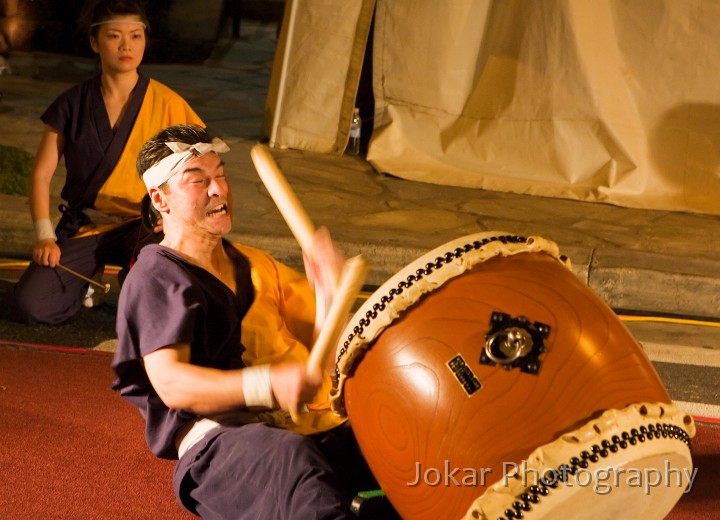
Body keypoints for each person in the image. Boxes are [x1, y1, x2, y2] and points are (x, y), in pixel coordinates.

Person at [112, 124, 382, 519]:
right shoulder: (156, 273)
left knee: (396, 437)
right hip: (219, 447)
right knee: (293, 462)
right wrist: (267, 384)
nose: (218, 189)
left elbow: (324, 363)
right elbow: (172, 384)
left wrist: (328, 298)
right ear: (160, 199)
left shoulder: (251, 264)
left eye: (220, 175)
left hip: (289, 430)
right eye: (197, 181)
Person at [4, 0, 204, 324]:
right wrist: (44, 236)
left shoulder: (168, 103)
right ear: (95, 42)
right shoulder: (71, 104)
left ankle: (135, 281)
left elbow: (199, 169)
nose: (127, 45)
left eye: (136, 36)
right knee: (32, 304)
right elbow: (41, 175)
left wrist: (175, 217)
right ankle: (87, 277)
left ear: (145, 40)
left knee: (165, 298)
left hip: (144, 226)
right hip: (85, 225)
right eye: (114, 36)